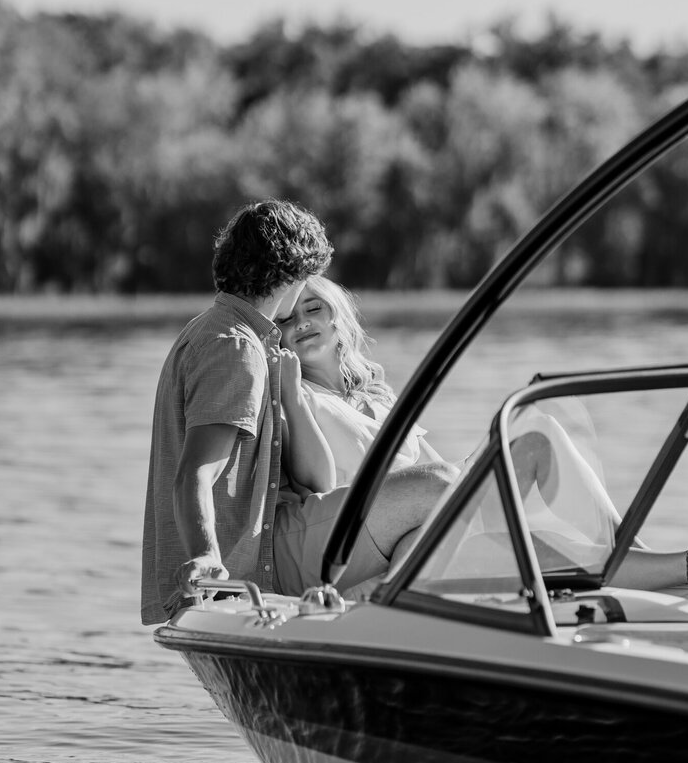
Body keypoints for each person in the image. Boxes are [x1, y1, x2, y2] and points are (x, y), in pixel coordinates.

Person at [276, 274, 688, 596]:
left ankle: (644, 561)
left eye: (313, 308)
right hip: (371, 541)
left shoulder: (375, 395)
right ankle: (682, 570)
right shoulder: (295, 397)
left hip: (426, 518)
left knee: (536, 425)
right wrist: (294, 397)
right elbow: (315, 482)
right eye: (288, 318)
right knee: (536, 542)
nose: (302, 323)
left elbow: (426, 462)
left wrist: (477, 476)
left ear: (339, 319)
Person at [140, 202, 458, 623]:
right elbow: (196, 473)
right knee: (440, 484)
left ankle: (378, 614)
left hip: (262, 552)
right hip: (255, 562)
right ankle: (375, 618)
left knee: (436, 518)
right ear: (290, 275)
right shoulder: (236, 347)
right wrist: (205, 557)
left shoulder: (214, 332)